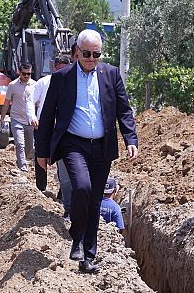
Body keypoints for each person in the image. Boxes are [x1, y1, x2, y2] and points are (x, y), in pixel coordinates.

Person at [35, 29, 139, 274]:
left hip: (102, 146)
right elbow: (47, 115)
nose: (92, 58)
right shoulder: (62, 78)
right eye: (87, 54)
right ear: (77, 52)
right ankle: (77, 236)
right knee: (82, 187)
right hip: (73, 144)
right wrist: (42, 151)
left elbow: (124, 110)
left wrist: (130, 138)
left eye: (96, 54)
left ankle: (87, 256)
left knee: (95, 201)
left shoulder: (111, 75)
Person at [29, 55, 72, 220]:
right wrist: (33, 117)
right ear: (55, 68)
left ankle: (68, 202)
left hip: (72, 135)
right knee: (55, 167)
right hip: (51, 130)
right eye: (59, 69)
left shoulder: (78, 83)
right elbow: (37, 106)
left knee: (69, 172)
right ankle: (42, 188)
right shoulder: (45, 83)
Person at [0, 62, 36, 172]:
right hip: (16, 119)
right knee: (20, 144)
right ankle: (23, 167)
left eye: (28, 74)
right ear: (19, 73)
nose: (26, 76)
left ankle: (24, 160)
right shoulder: (12, 86)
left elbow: (39, 103)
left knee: (30, 148)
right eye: (24, 73)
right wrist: (2, 118)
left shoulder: (35, 85)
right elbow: (7, 102)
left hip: (30, 121)